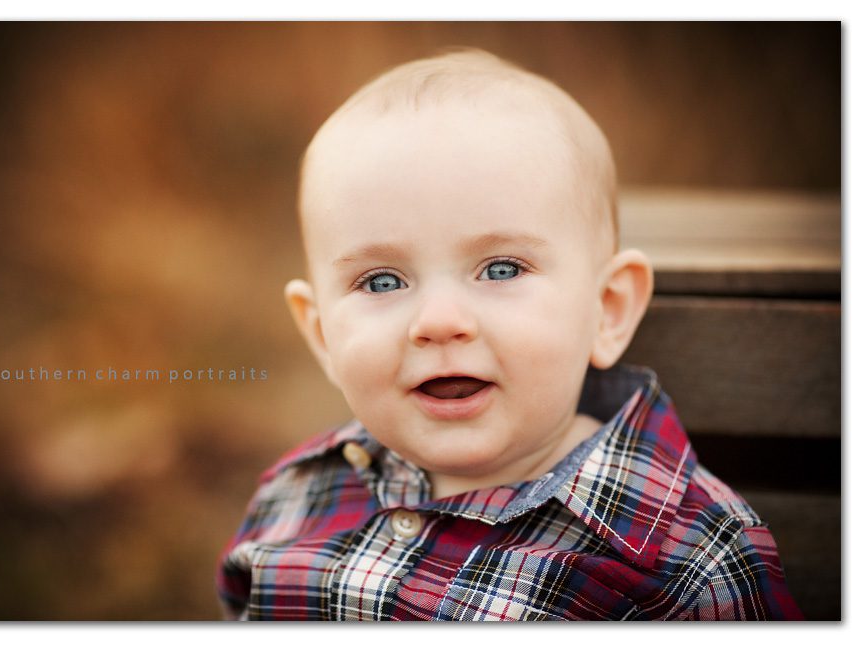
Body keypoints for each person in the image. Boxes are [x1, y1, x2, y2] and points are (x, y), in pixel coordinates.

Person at [216, 48, 802, 621]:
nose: (440, 322)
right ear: (322, 337)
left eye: (501, 269)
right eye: (382, 280)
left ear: (608, 309)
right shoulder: (297, 499)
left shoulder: (688, 562)